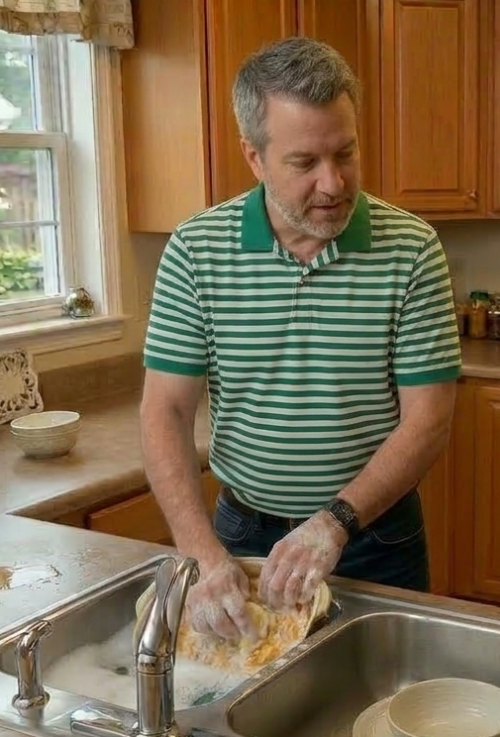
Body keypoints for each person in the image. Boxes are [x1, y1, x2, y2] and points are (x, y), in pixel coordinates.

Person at [139, 37, 461, 643]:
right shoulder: (194, 251)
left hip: (373, 540)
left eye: (345, 152)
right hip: (238, 540)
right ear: (254, 157)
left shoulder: (412, 249)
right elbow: (165, 409)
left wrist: (334, 522)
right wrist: (201, 555)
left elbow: (429, 421)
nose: (333, 182)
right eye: (304, 162)